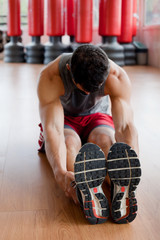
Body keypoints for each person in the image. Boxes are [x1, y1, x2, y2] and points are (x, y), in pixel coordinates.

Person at [37, 44, 141, 224]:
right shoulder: (51, 77)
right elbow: (53, 128)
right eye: (84, 88)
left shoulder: (116, 76)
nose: (88, 93)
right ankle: (85, 190)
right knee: (69, 145)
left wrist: (130, 164)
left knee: (106, 141)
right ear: (69, 69)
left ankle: (119, 184)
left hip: (97, 117)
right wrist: (60, 173)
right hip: (66, 118)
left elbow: (124, 126)